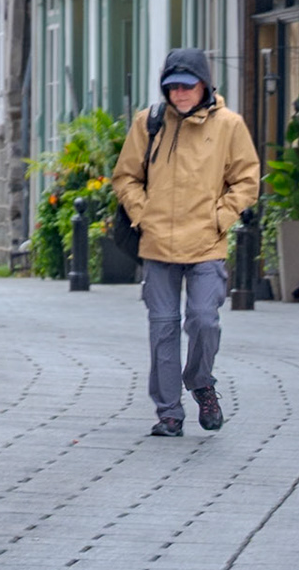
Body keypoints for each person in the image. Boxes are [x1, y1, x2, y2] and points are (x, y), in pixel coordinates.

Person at [111, 48, 261, 437]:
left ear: (205, 85)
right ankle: (169, 412)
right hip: (157, 244)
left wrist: (221, 216)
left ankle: (200, 382)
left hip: (206, 244)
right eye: (171, 86)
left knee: (203, 320)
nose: (179, 94)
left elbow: (247, 179)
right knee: (162, 328)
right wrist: (143, 214)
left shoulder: (229, 125)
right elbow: (125, 176)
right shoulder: (150, 123)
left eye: (186, 86)